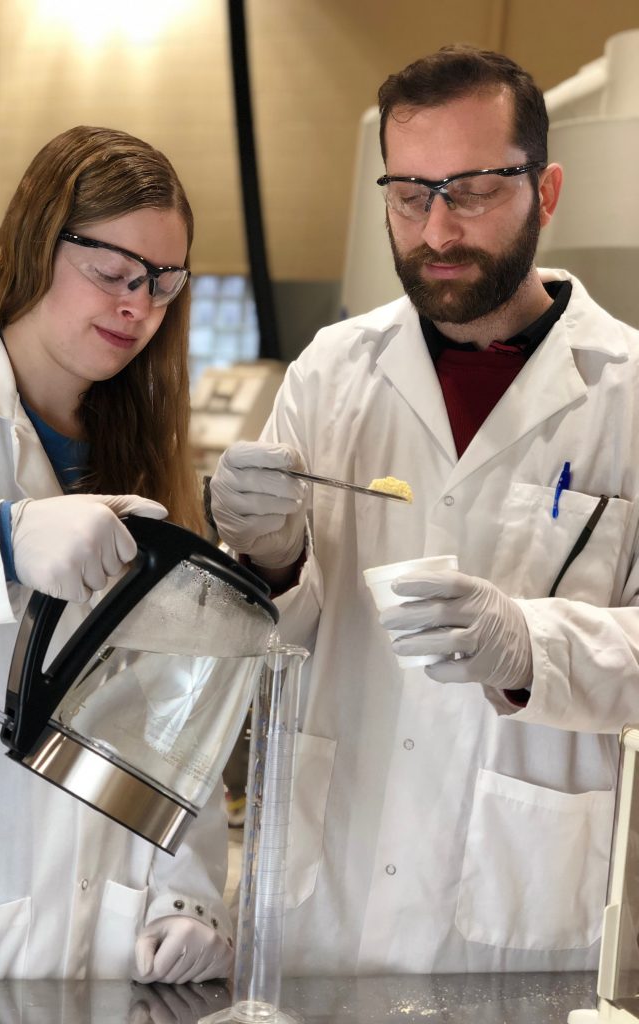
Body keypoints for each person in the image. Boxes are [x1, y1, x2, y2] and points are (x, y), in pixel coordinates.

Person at [209, 45, 639, 975]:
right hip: (323, 906)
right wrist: (268, 558)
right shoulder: (330, 371)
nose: (437, 229)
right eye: (410, 195)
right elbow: (261, 642)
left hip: (525, 920)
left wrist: (536, 646)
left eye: (474, 191)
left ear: (547, 190)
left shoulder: (629, 391)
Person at [0, 125, 233, 982]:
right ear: (38, 244)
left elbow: (173, 717)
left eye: (163, 283)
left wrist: (192, 891)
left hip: (92, 956)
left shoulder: (144, 467)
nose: (137, 306)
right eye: (112, 273)